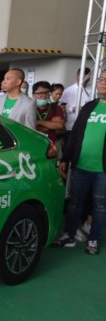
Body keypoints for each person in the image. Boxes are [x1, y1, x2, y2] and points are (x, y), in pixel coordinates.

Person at [55, 70, 106, 255]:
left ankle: (93, 240)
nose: (103, 83)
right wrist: (66, 158)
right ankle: (68, 235)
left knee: (100, 206)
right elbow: (75, 134)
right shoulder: (89, 106)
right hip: (81, 166)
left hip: (103, 170)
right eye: (101, 79)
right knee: (75, 202)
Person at [60, 67, 92, 133]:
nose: (85, 81)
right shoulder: (68, 91)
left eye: (87, 79)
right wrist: (73, 109)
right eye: (83, 79)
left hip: (87, 125)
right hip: (71, 126)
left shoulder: (93, 90)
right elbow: (61, 107)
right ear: (77, 77)